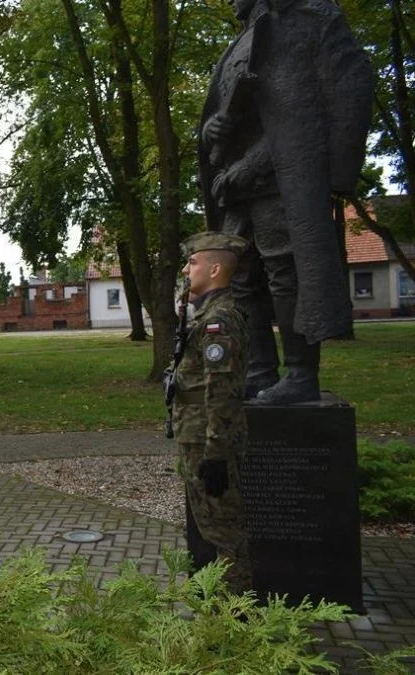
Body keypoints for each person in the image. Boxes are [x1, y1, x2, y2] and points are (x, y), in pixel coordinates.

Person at [198, 0, 374, 403]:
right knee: (239, 278)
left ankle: (300, 375)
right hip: (232, 185)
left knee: (285, 272)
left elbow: (341, 93)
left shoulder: (311, 21)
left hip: (281, 182)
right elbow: (224, 117)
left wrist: (334, 171)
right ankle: (260, 371)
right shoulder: (238, 42)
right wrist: (211, 129)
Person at [170, 232, 253, 594]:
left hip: (207, 441)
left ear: (215, 268)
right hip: (195, 436)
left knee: (224, 533)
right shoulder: (203, 313)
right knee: (210, 526)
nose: (187, 270)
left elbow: (222, 393)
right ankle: (221, 608)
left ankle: (235, 617)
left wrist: (215, 454)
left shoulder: (220, 321)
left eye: (193, 263)